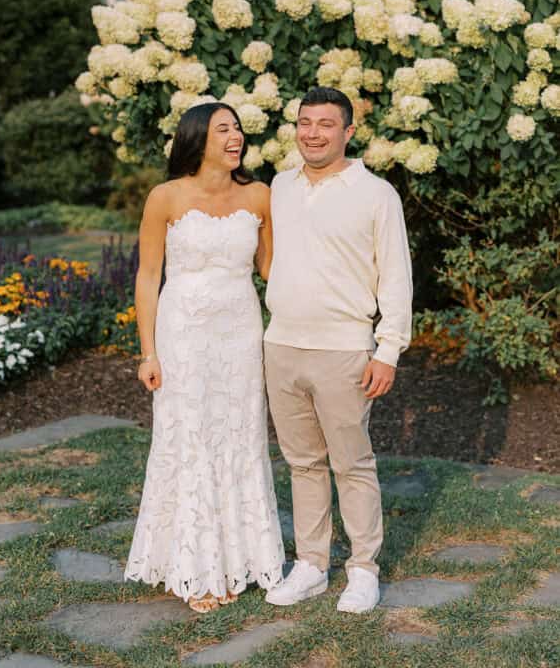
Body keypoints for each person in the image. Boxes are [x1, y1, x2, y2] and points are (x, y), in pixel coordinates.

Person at [124, 101, 284, 613]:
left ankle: (240, 558)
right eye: (223, 129)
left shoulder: (260, 195)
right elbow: (149, 277)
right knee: (189, 437)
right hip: (183, 335)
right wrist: (147, 351)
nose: (235, 136)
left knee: (239, 435)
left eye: (237, 128)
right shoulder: (165, 197)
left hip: (240, 333)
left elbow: (272, 272)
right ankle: (192, 565)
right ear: (197, 138)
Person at [263, 86, 412, 613]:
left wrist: (388, 349)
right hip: (280, 344)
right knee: (302, 462)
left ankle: (364, 569)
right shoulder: (280, 186)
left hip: (344, 350)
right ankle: (310, 565)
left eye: (326, 124)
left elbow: (395, 277)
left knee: (352, 463)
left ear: (348, 132)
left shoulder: (376, 195)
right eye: (305, 122)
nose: (313, 133)